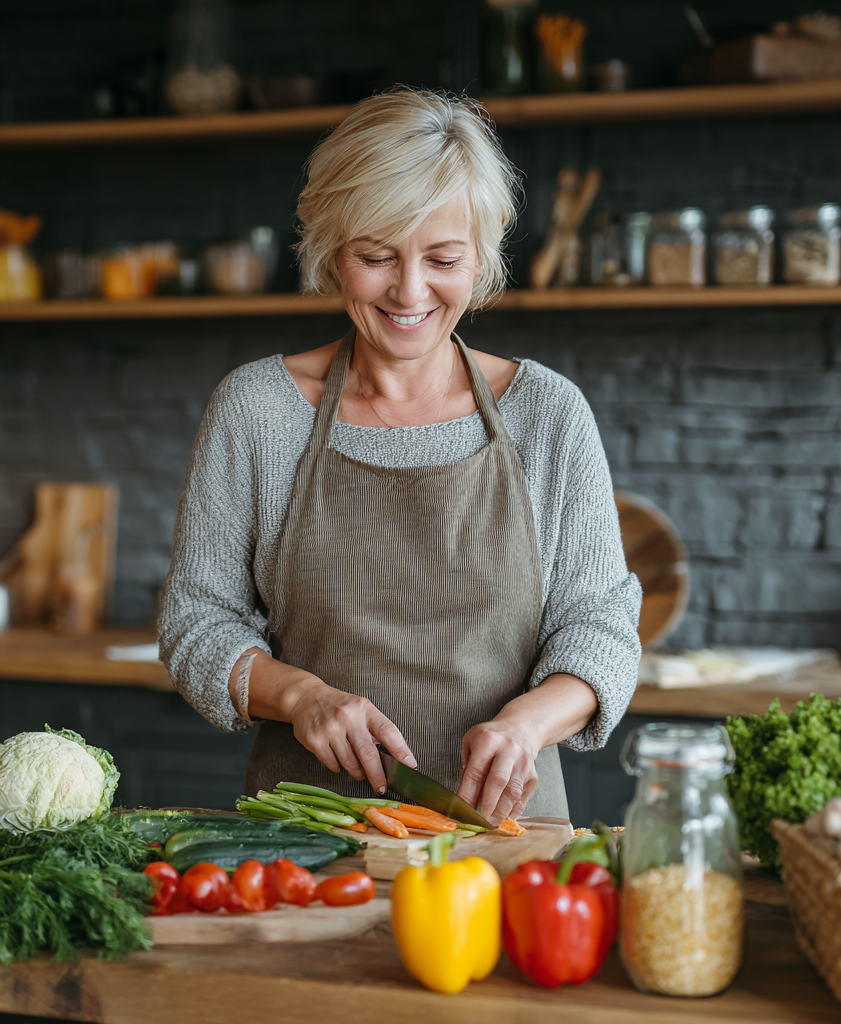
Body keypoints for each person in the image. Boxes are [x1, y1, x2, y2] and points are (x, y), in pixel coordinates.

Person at [158, 88, 641, 824]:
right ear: (330, 253)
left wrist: (527, 725)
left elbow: (601, 627)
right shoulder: (257, 410)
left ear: (480, 258)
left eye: (443, 258)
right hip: (310, 850)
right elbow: (197, 621)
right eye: (376, 257)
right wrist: (303, 697)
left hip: (507, 846)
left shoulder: (548, 414)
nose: (410, 291)